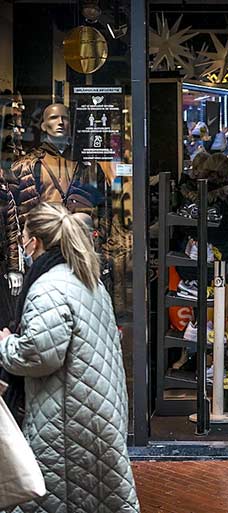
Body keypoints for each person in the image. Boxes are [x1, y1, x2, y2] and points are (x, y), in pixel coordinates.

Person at [0, 202, 139, 512]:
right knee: (96, 497)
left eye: (23, 236)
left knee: (51, 496)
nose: (22, 244)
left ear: (33, 241)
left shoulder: (49, 287)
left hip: (66, 415)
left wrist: (6, 345)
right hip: (94, 408)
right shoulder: (85, 278)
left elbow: (37, 356)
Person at [177, 153, 228, 284]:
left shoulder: (189, 195)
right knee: (223, 298)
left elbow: (182, 227)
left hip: (190, 259)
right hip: (225, 261)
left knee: (191, 297)